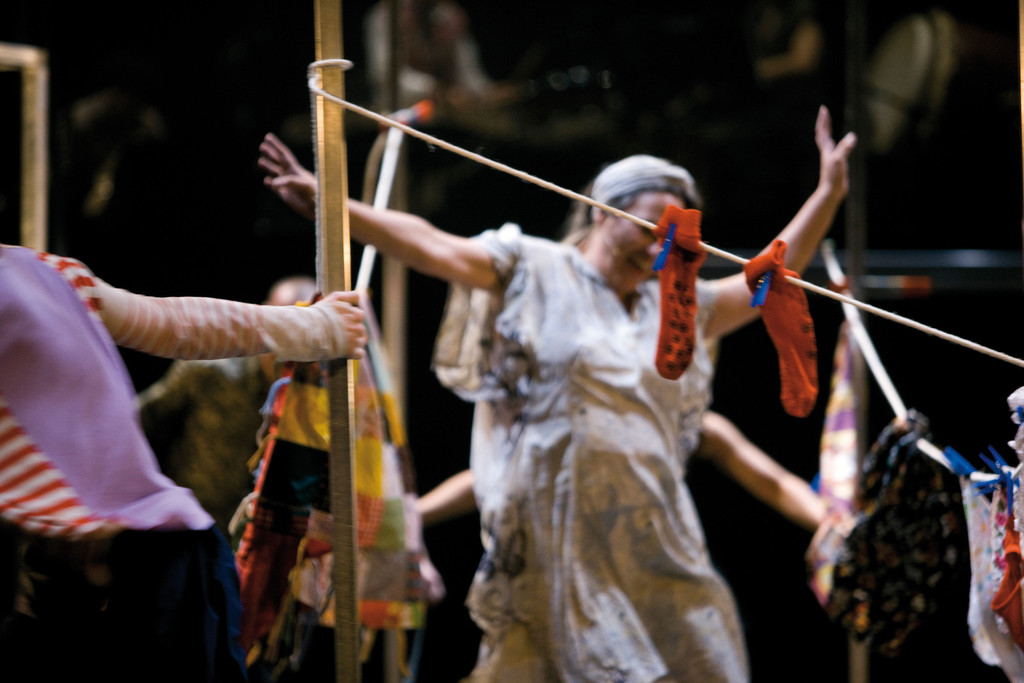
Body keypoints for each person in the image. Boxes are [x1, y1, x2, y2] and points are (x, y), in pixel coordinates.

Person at [259, 104, 855, 681]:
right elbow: (432, 243)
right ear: (602, 213)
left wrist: (827, 193)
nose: (663, 243)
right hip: (558, 534)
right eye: (651, 224)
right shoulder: (535, 269)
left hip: (656, 534)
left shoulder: (677, 306)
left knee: (706, 661)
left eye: (676, 231)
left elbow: (772, 274)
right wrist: (329, 205)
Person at [0, 243, 366, 683]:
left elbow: (173, 323)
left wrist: (313, 326)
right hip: (93, 560)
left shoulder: (39, 275)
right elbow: (149, 405)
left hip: (160, 557)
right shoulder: (208, 376)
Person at [136, 275, 317, 537]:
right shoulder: (211, 370)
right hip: (187, 534)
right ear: (265, 315)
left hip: (263, 543)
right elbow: (139, 423)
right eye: (285, 323)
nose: (292, 340)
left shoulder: (316, 404)